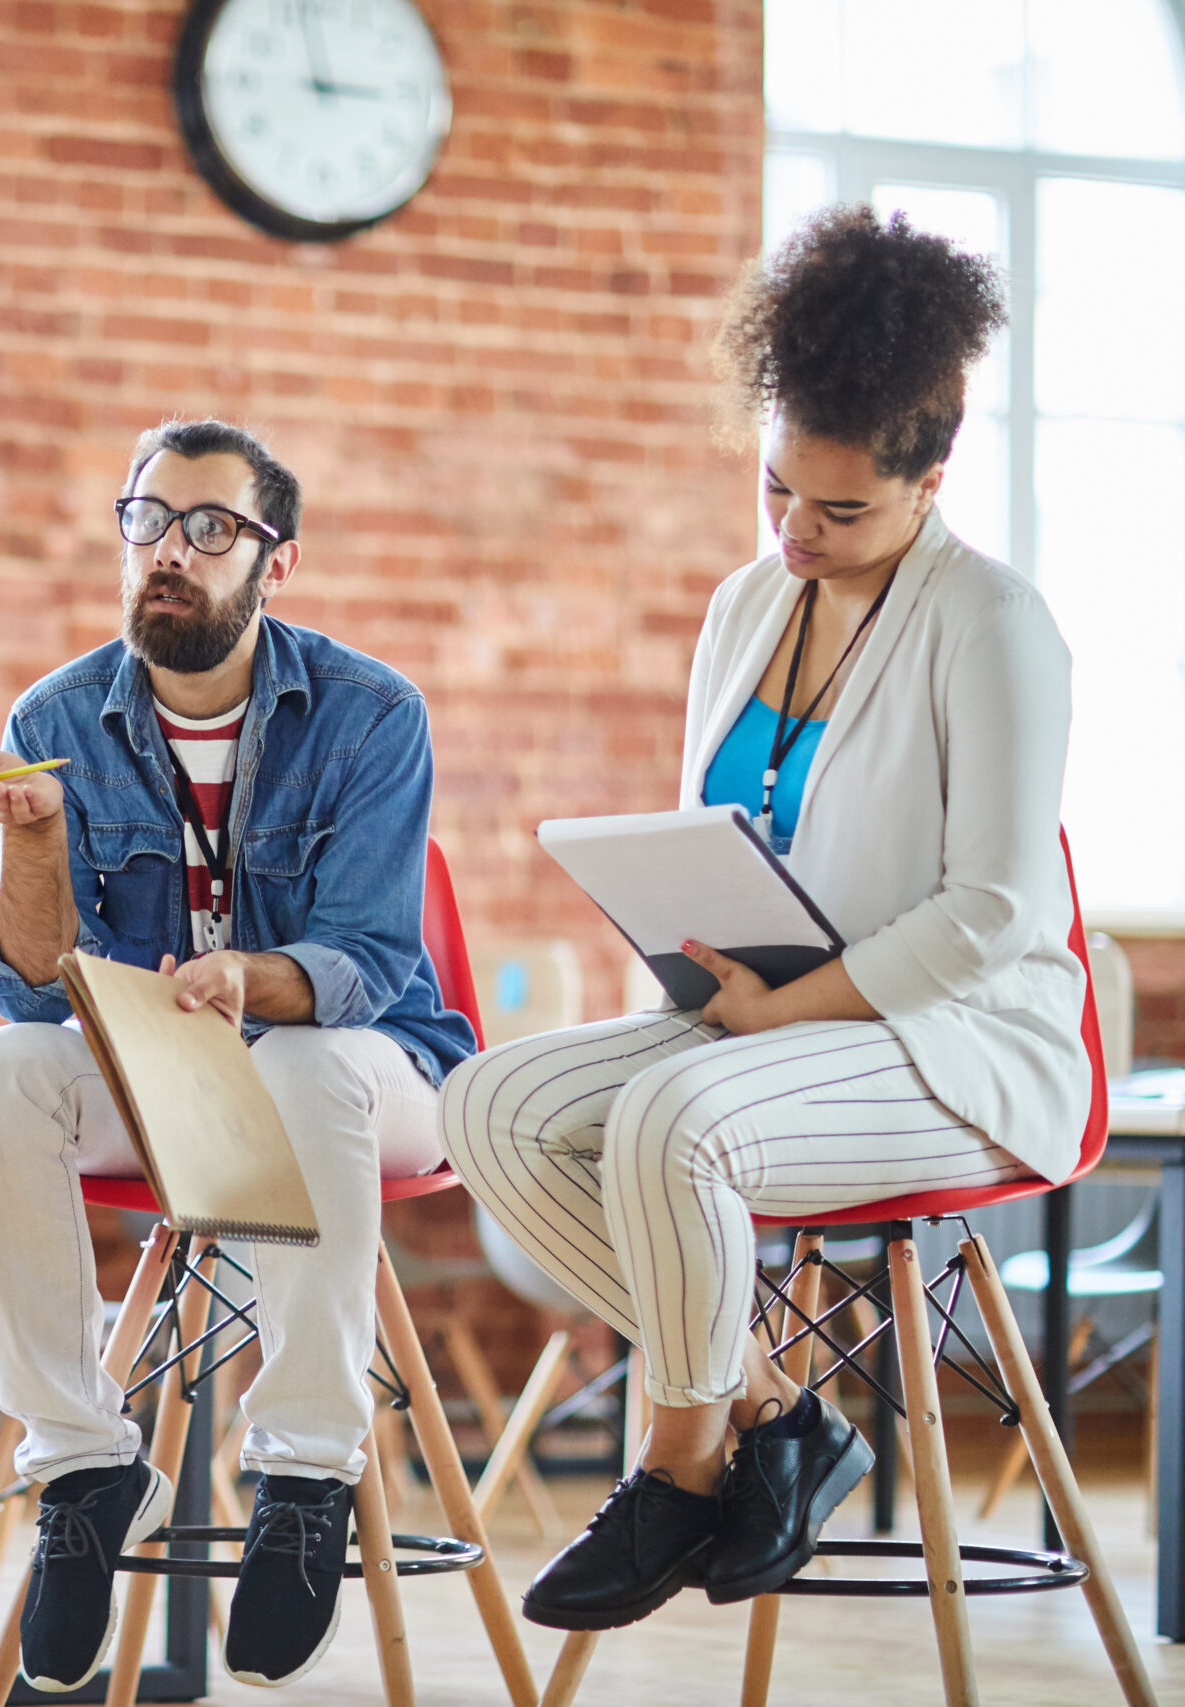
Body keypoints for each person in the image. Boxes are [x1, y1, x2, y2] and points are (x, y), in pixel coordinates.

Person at [440, 205, 1074, 1632]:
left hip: (952, 1044)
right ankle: (779, 1411)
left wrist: (776, 1013)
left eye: (839, 509)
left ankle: (678, 1463)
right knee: (490, 1101)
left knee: (680, 1119)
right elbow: (731, 832)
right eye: (777, 491)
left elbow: (992, 908)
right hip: (746, 1021)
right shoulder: (745, 604)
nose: (796, 531)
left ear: (931, 474)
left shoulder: (993, 624)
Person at [0, 419, 478, 1692]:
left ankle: (302, 1476)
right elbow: (28, 989)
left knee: (299, 1064)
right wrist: (29, 844)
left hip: (374, 1072)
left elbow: (372, 964)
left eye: (208, 527)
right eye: (147, 520)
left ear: (274, 564)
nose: (166, 551)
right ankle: (79, 1466)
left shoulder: (367, 715)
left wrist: (248, 979)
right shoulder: (55, 716)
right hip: (165, 1080)